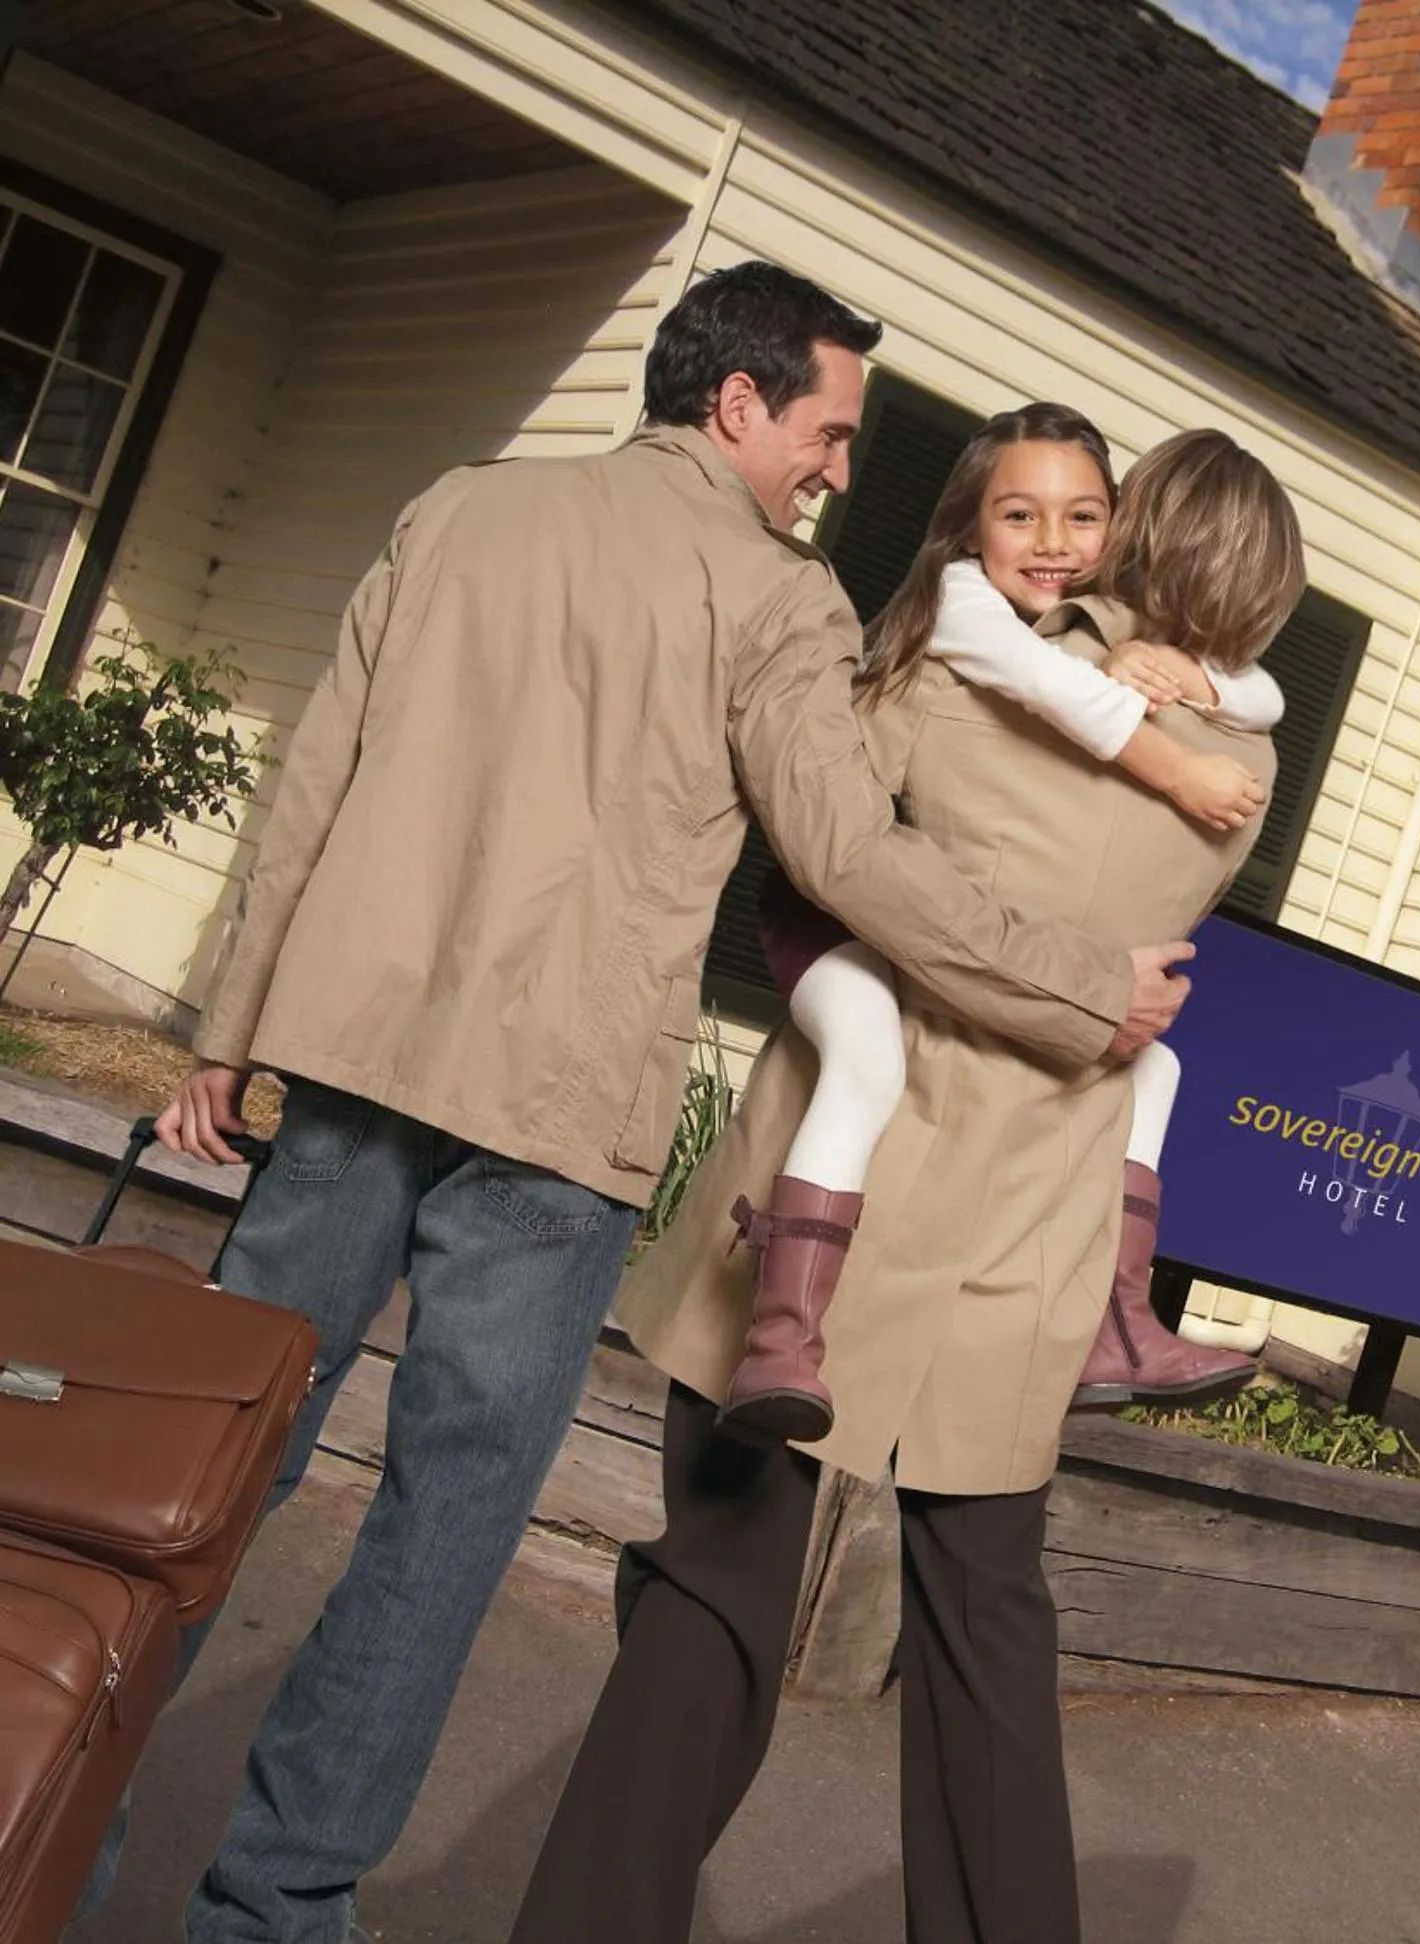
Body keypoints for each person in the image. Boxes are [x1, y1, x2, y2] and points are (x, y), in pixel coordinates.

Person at [135, 265, 1196, 1944]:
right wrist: (1078, 979)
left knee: (188, 1473)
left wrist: (226, 1024)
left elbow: (317, 770)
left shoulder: (461, 510)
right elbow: (850, 856)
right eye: (829, 433)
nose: (838, 472)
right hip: (553, 1133)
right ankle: (268, 1910)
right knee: (436, 1532)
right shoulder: (780, 605)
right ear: (739, 402)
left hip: (345, 1073)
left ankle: (37, 1801)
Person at [509, 421, 1306, 1944]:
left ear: (1125, 533)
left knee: (717, 1593)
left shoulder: (973, 654)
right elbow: (1114, 929)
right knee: (985, 1633)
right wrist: (1078, 980)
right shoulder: (1243, 766)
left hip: (829, 1199)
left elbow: (826, 847)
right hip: (1023, 1231)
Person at [719, 402, 1276, 1442]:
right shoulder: (967, 614)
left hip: (947, 955)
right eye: (1022, 517)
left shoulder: (1123, 663)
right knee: (868, 1061)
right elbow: (1048, 700)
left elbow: (1267, 696)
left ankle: (1120, 1318)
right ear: (974, 526)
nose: (1057, 547)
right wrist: (1179, 757)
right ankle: (780, 1336)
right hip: (829, 921)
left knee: (1160, 1072)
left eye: (1085, 520)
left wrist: (1198, 682)